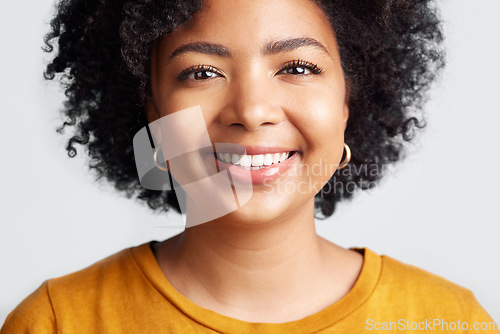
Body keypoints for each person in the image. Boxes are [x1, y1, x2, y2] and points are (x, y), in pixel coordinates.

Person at [2, 0, 498, 333]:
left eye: (297, 68)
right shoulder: (58, 323)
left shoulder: (447, 320)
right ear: (154, 114)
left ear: (350, 102)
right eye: (201, 72)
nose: (251, 109)